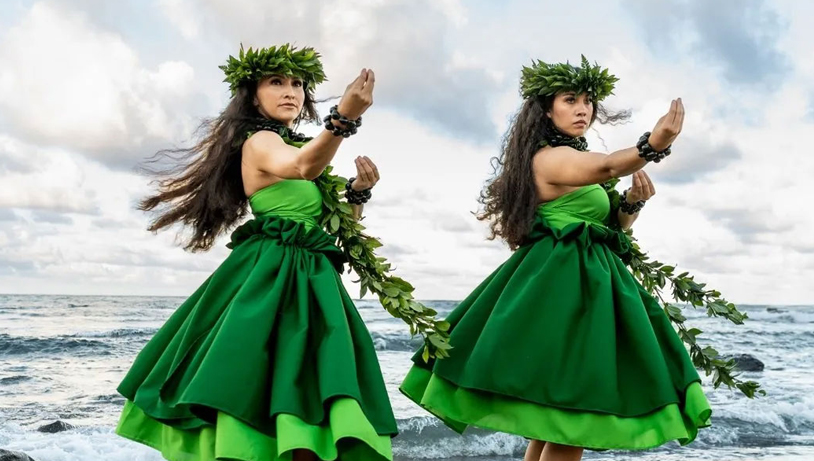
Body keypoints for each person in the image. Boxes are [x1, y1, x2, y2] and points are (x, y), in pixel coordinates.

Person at [400, 56, 712, 460]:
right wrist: (655, 143)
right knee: (572, 412)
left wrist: (632, 204)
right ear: (547, 110)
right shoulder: (550, 158)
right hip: (564, 289)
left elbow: (614, 228)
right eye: (570, 99)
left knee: (555, 420)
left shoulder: (571, 157)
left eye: (588, 101)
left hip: (587, 287)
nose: (583, 108)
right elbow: (608, 165)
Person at [115, 44, 396, 461]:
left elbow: (337, 226)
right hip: (271, 277)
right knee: (268, 386)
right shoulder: (260, 140)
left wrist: (357, 193)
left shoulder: (299, 142)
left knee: (309, 394)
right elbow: (302, 166)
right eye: (276, 82)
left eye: (298, 84)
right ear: (252, 94)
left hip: (313, 279)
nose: (290, 92)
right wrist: (345, 118)